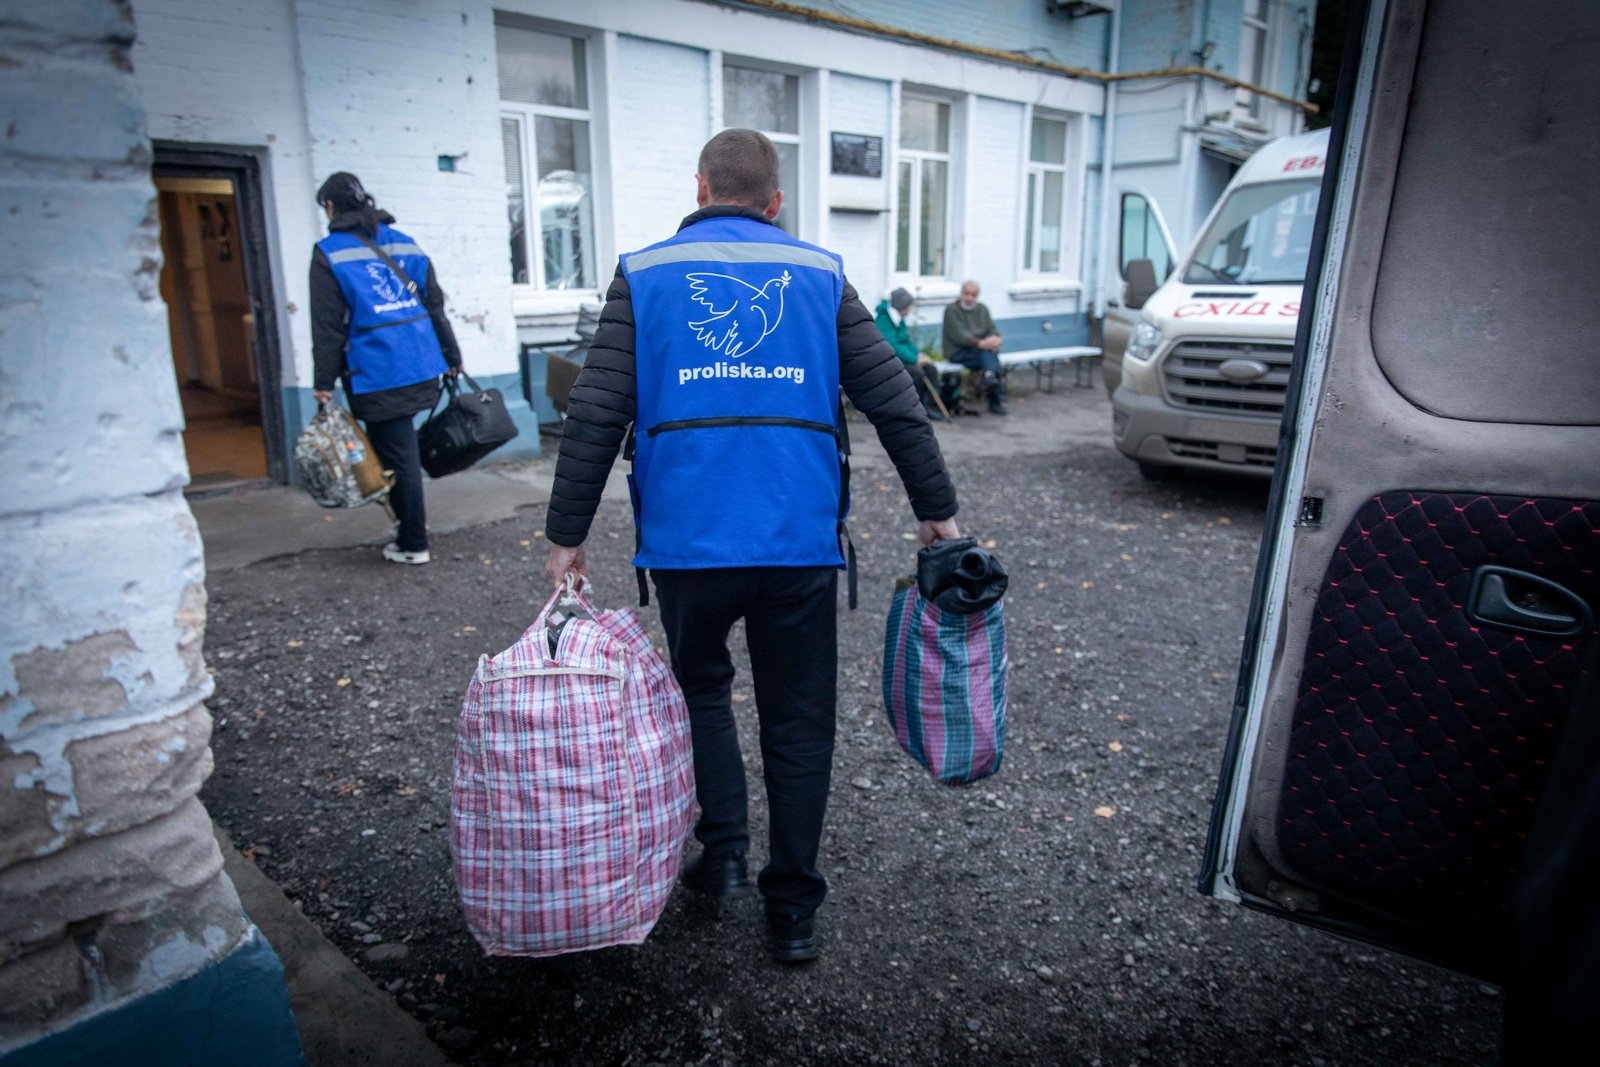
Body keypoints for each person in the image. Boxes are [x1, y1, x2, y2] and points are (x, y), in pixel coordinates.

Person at [543, 129, 961, 965]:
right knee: (800, 721)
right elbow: (895, 399)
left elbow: (595, 412)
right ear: (776, 201)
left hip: (688, 544)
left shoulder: (644, 273)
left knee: (701, 691)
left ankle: (724, 853)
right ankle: (794, 910)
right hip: (797, 540)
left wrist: (566, 536)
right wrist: (936, 511)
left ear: (701, 188)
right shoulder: (821, 274)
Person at [310, 172, 462, 565]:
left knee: (397, 456)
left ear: (331, 206)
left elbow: (327, 326)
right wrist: (452, 356)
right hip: (422, 361)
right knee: (401, 449)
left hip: (377, 371)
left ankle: (413, 542)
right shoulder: (405, 242)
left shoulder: (329, 252)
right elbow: (434, 304)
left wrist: (323, 382)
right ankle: (407, 528)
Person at [874, 287, 944, 421]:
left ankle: (927, 406)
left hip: (902, 359)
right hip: (889, 361)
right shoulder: (884, 320)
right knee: (916, 374)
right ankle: (911, 407)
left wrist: (919, 356)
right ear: (902, 306)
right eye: (909, 306)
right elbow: (893, 346)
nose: (910, 309)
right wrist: (914, 360)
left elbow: (906, 341)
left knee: (931, 369)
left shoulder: (899, 319)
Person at [942, 280, 1006, 415]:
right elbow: (959, 335)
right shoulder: (951, 310)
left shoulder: (982, 309)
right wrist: (982, 344)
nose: (970, 298)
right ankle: (995, 399)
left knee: (989, 354)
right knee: (990, 357)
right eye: (967, 294)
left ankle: (989, 376)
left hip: (979, 351)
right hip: (957, 351)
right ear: (961, 294)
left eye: (973, 295)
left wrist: (996, 339)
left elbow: (992, 328)